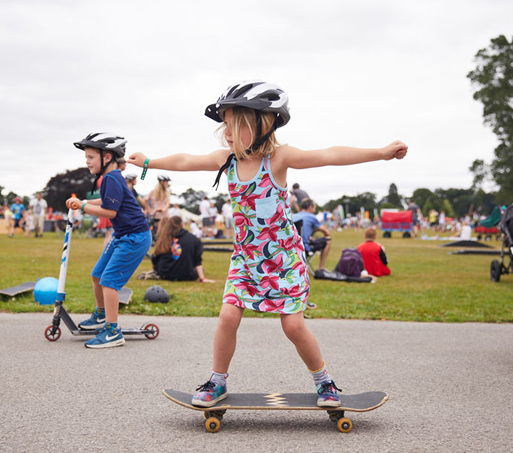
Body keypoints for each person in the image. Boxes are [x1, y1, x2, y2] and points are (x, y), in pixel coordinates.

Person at [128, 80, 407, 408]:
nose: (227, 131)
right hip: (246, 260)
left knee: (293, 325)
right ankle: (217, 381)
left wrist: (381, 153)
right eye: (225, 124)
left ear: (262, 124)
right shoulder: (227, 160)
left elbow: (330, 155)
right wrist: (149, 162)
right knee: (228, 317)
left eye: (235, 124)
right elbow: (186, 161)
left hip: (284, 260)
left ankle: (325, 383)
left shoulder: (278, 159)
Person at [66, 132, 151, 349]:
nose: (87, 161)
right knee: (97, 275)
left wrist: (82, 207)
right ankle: (101, 315)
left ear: (107, 158)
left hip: (134, 237)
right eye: (86, 157)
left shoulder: (111, 178)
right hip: (123, 235)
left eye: (91, 157)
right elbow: (106, 200)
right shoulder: (110, 179)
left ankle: (113, 332)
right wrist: (83, 201)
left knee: (109, 282)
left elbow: (110, 211)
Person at [151, 215, 215, 282]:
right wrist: (202, 278)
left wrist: (156, 271)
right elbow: (197, 261)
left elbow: (155, 257)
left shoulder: (163, 238)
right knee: (201, 269)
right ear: (181, 224)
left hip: (164, 273)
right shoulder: (194, 239)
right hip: (186, 275)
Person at [292, 198, 333, 271]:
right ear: (310, 207)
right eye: (314, 207)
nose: (315, 209)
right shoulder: (312, 217)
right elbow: (326, 233)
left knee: (312, 239)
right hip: (304, 248)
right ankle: (321, 268)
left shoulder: (294, 216)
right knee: (328, 240)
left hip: (292, 247)